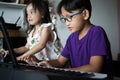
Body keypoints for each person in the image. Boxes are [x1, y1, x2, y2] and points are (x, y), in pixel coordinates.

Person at [37, 0, 113, 77]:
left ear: (85, 14)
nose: (67, 23)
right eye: (65, 19)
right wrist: (44, 63)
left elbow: (95, 68)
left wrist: (65, 72)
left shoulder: (97, 32)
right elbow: (60, 61)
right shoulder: (71, 38)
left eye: (69, 17)